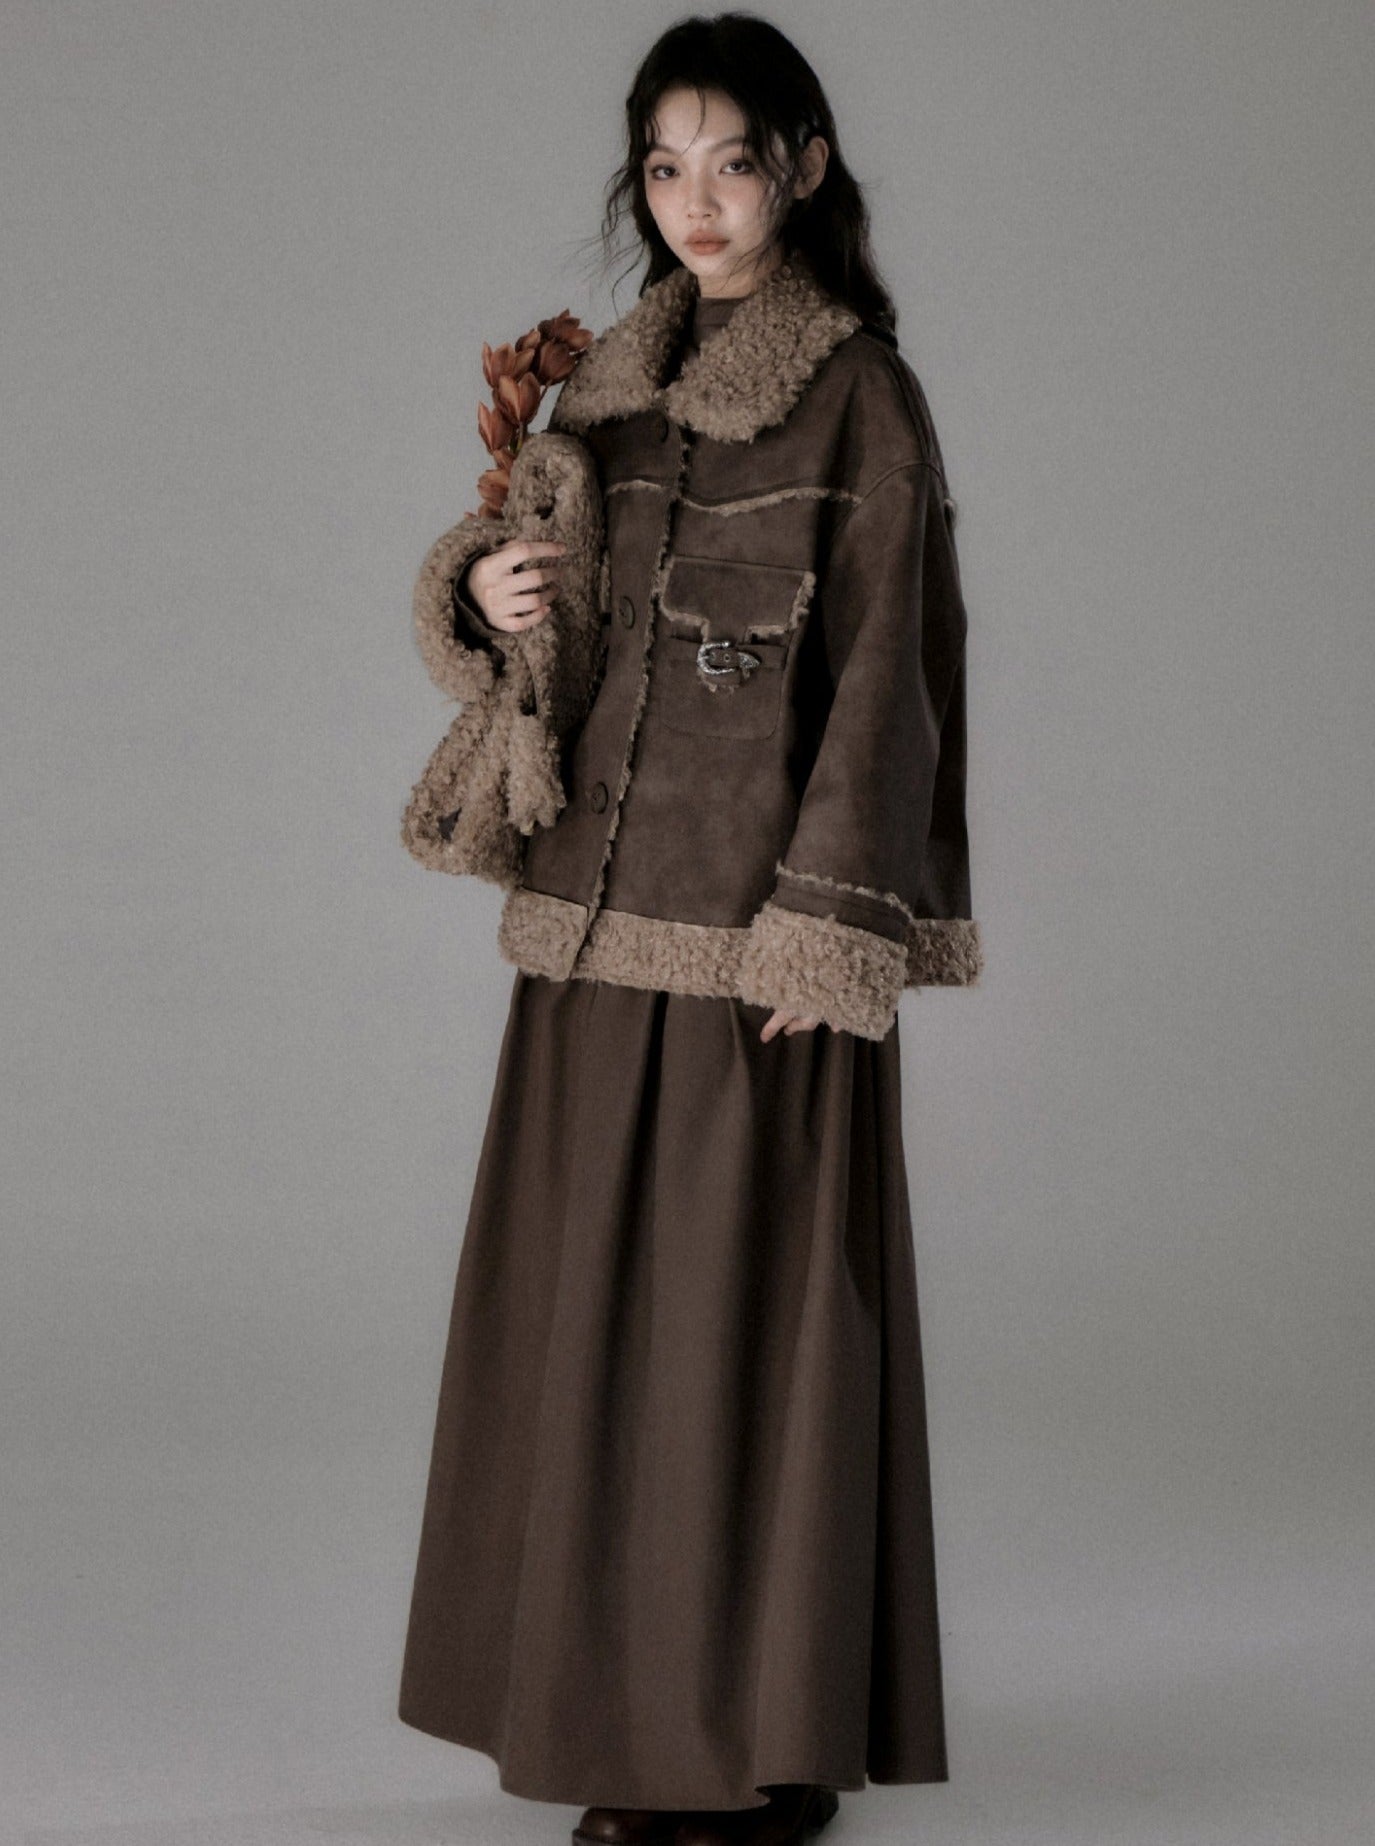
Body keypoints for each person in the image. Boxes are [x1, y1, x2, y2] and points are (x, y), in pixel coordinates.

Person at [397, 15, 982, 1846]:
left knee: (742, 1356)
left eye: (733, 161)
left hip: (753, 960)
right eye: (665, 167)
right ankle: (610, 1717)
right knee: (591, 1345)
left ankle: (749, 1753)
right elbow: (563, 652)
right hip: (591, 944)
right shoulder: (606, 396)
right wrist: (488, 594)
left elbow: (890, 684)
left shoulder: (863, 398)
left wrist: (826, 934)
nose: (697, 202)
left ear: (804, 165)